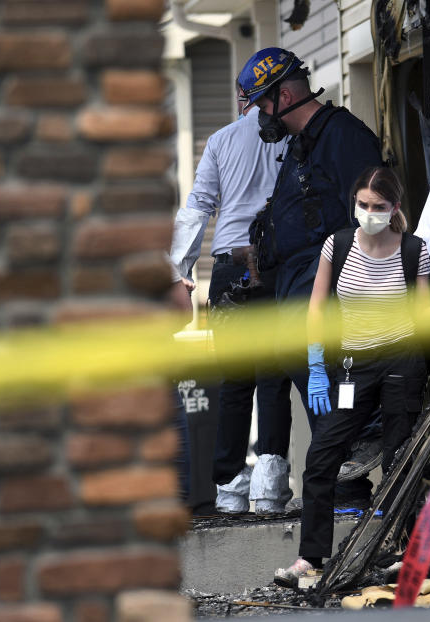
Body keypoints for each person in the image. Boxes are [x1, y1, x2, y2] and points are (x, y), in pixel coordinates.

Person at [236, 48, 386, 507]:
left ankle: (358, 475)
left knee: (341, 410)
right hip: (294, 293)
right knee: (321, 410)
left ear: (284, 94)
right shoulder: (302, 146)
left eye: (263, 104)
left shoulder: (343, 137)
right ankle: (346, 501)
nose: (262, 117)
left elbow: (371, 217)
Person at [274, 167, 430, 587]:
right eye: (363, 204)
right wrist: (314, 368)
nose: (369, 213)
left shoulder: (415, 251)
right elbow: (315, 309)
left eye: (379, 207)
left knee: (401, 458)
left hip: (401, 360)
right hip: (352, 365)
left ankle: (403, 551)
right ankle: (310, 558)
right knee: (322, 457)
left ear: (394, 208)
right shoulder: (337, 245)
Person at [168, 88, 294, 515]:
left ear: (245, 98)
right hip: (279, 263)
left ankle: (228, 488)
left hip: (229, 268)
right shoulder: (294, 135)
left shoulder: (221, 140)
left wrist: (179, 269)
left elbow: (198, 204)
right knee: (274, 375)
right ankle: (269, 490)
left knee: (235, 381)